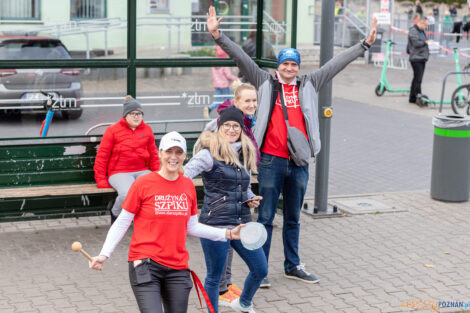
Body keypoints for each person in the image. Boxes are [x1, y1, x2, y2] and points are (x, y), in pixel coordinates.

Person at [206, 5, 377, 287]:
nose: (288, 68)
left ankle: (292, 264)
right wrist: (218, 36)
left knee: (294, 218)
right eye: (285, 63)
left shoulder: (309, 83)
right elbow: (241, 56)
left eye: (293, 64)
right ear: (278, 65)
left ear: (298, 67)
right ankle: (259, 270)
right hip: (271, 161)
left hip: (299, 162)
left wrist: (365, 44)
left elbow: (336, 64)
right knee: (265, 217)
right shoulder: (264, 81)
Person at [89, 131, 244, 313]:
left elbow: (192, 226)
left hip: (177, 266)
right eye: (169, 151)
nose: (173, 157)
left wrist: (227, 234)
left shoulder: (187, 186)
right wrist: (104, 254)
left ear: (184, 156)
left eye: (179, 152)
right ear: (160, 153)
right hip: (145, 263)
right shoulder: (143, 183)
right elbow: (123, 221)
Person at [184, 106, 266, 313]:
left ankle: (243, 304)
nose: (231, 129)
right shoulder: (207, 154)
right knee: (215, 277)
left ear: (241, 129)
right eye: (227, 125)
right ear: (219, 127)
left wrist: (250, 199)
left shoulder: (245, 151)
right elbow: (183, 176)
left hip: (242, 223)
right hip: (215, 224)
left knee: (260, 269)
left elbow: (245, 187)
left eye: (236, 126)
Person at [93, 96, 160, 224]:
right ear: (125, 115)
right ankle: (115, 212)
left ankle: (143, 220)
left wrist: (158, 174)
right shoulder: (113, 130)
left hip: (142, 171)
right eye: (133, 113)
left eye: (139, 114)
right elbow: (102, 156)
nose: (136, 117)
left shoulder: (147, 130)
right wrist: (101, 179)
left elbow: (153, 155)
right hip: (119, 172)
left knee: (153, 190)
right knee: (127, 194)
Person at [204, 46, 239, 119]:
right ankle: (229, 114)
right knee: (228, 100)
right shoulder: (225, 64)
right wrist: (236, 78)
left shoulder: (215, 64)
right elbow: (228, 75)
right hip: (224, 85)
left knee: (218, 100)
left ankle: (209, 108)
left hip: (216, 85)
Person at [407, 17, 431, 105]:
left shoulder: (420, 31)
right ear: (421, 23)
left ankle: (412, 98)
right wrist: (426, 42)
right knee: (418, 79)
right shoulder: (413, 31)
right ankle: (418, 97)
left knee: (416, 78)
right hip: (416, 58)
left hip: (421, 57)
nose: (426, 27)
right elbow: (416, 43)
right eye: (426, 25)